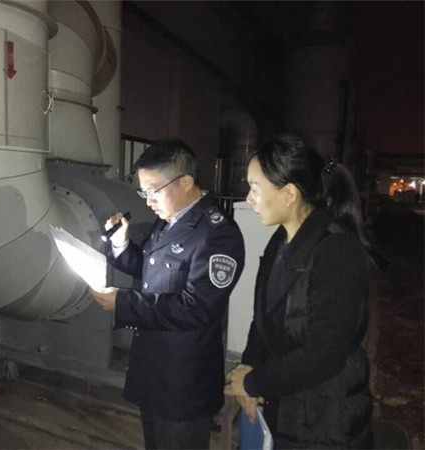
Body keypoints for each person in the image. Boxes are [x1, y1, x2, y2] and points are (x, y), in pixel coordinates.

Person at [89, 139, 245, 450]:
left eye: (153, 191)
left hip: (184, 383)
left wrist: (124, 302)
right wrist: (121, 245)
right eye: (143, 192)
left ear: (186, 182)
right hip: (153, 371)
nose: (148, 201)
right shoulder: (170, 221)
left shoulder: (217, 234)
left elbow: (195, 308)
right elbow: (152, 273)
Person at [224, 134, 374, 449]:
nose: (248, 198)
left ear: (290, 193)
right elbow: (262, 319)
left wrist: (254, 381)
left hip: (325, 418)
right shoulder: (280, 240)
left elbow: (324, 354)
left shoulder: (337, 251)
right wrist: (250, 371)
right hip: (284, 405)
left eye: (255, 188)